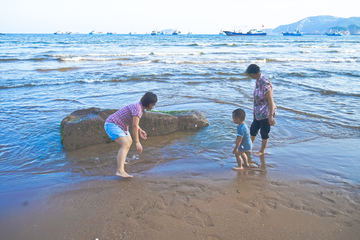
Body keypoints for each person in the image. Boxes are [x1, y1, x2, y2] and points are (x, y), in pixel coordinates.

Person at [104, 92, 157, 178]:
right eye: (153, 105)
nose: (153, 107)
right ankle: (120, 171)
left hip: (120, 125)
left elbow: (135, 124)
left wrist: (140, 130)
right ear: (148, 104)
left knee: (129, 141)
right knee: (125, 144)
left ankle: (122, 160)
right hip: (112, 124)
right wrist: (137, 142)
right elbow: (134, 125)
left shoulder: (139, 106)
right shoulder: (138, 109)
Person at [246, 64, 276, 156]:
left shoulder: (264, 83)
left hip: (266, 112)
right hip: (258, 112)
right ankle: (249, 147)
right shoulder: (258, 80)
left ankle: (262, 151)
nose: (249, 76)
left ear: (252, 74)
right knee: (253, 129)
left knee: (264, 132)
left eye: (249, 74)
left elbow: (270, 100)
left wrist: (270, 116)